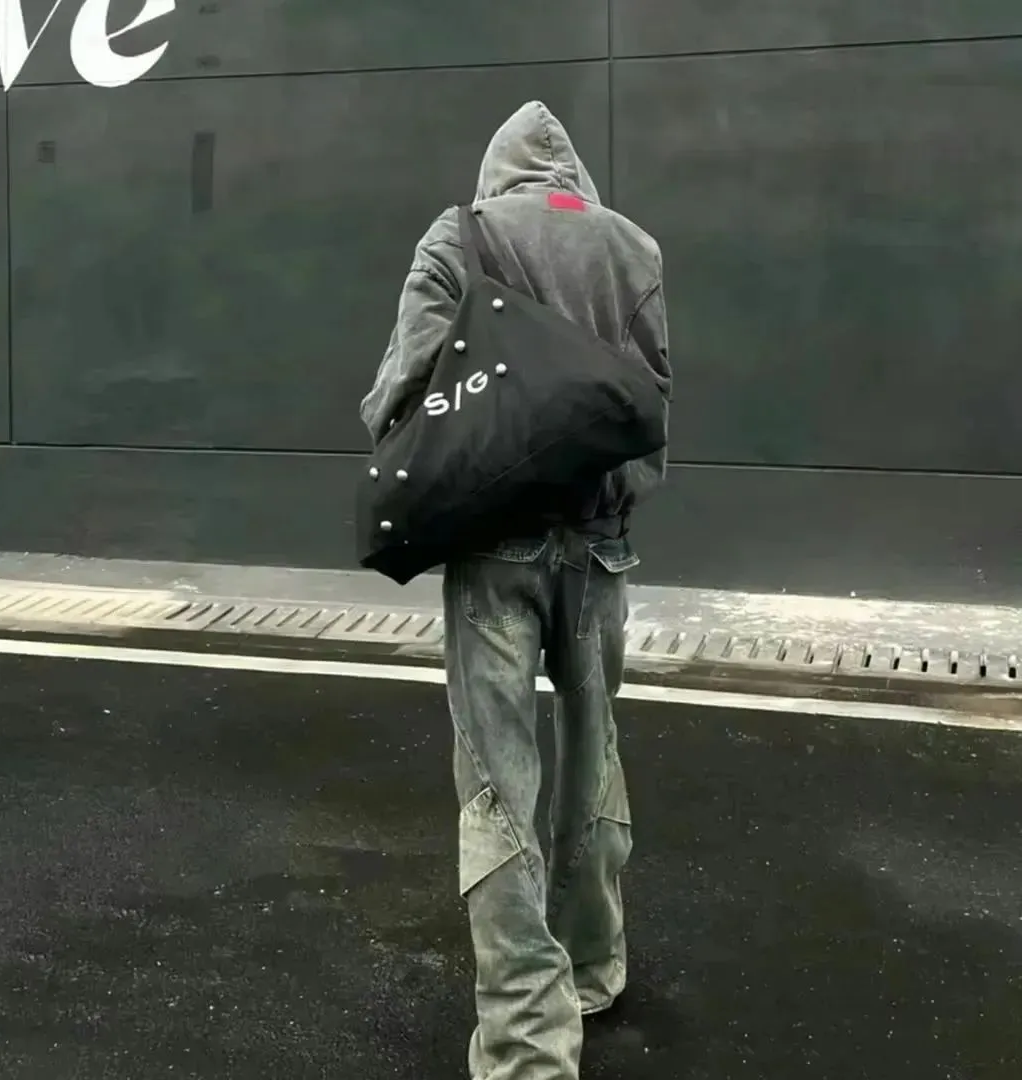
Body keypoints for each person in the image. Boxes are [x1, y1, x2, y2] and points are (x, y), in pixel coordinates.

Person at [360, 100, 671, 1080]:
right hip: (600, 552)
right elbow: (652, 415)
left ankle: (528, 1042)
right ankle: (593, 964)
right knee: (592, 753)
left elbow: (398, 396)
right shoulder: (632, 248)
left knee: (499, 781)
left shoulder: (460, 236)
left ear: (497, 174)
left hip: (493, 552)